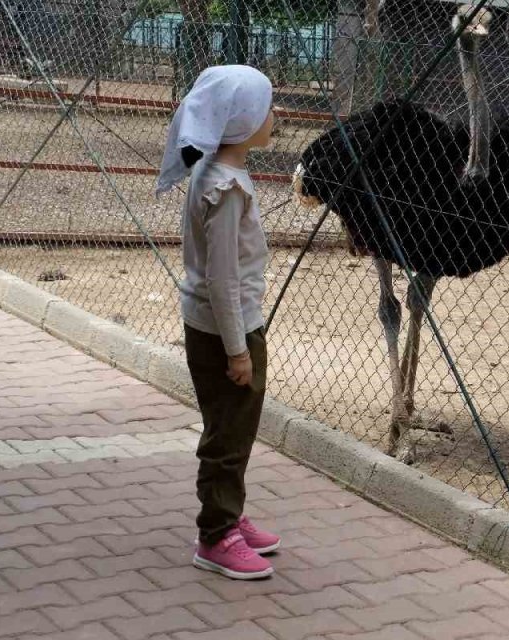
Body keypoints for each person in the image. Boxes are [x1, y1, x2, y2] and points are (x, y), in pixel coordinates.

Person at [155, 65, 280, 580]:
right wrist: (237, 351)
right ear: (243, 119)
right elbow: (224, 280)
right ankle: (216, 535)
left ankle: (230, 514)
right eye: (268, 107)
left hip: (219, 324)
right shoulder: (223, 189)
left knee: (235, 427)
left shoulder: (213, 171)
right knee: (228, 431)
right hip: (228, 329)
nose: (277, 116)